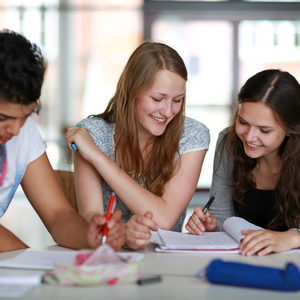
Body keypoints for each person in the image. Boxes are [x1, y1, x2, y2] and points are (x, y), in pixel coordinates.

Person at [65, 41, 210, 249]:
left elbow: (164, 219)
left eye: (177, 100)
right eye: (158, 98)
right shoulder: (91, 134)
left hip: (165, 263)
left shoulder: (193, 135)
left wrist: (98, 157)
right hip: (108, 258)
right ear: (132, 90)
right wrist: (123, 234)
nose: (168, 111)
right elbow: (91, 218)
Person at [0, 29, 126, 253]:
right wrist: (31, 263)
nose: (16, 129)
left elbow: (58, 214)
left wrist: (89, 237)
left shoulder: (24, 131)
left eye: (25, 116)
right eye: (3, 118)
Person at [186, 69, 300, 256]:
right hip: (242, 262)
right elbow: (222, 223)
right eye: (243, 122)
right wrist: (210, 229)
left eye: (264, 130)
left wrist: (291, 237)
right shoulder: (228, 142)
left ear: (290, 129)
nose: (249, 137)